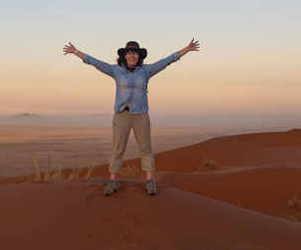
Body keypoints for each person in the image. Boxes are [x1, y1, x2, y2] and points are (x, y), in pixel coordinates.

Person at [63, 38, 200, 196]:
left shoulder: (146, 70)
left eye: (135, 52)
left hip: (141, 115)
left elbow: (167, 60)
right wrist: (75, 52)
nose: (132, 55)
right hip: (122, 115)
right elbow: (95, 62)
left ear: (139, 56)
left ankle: (149, 182)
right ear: (124, 55)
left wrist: (186, 49)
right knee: (117, 149)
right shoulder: (116, 70)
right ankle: (112, 182)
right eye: (129, 53)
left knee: (146, 148)